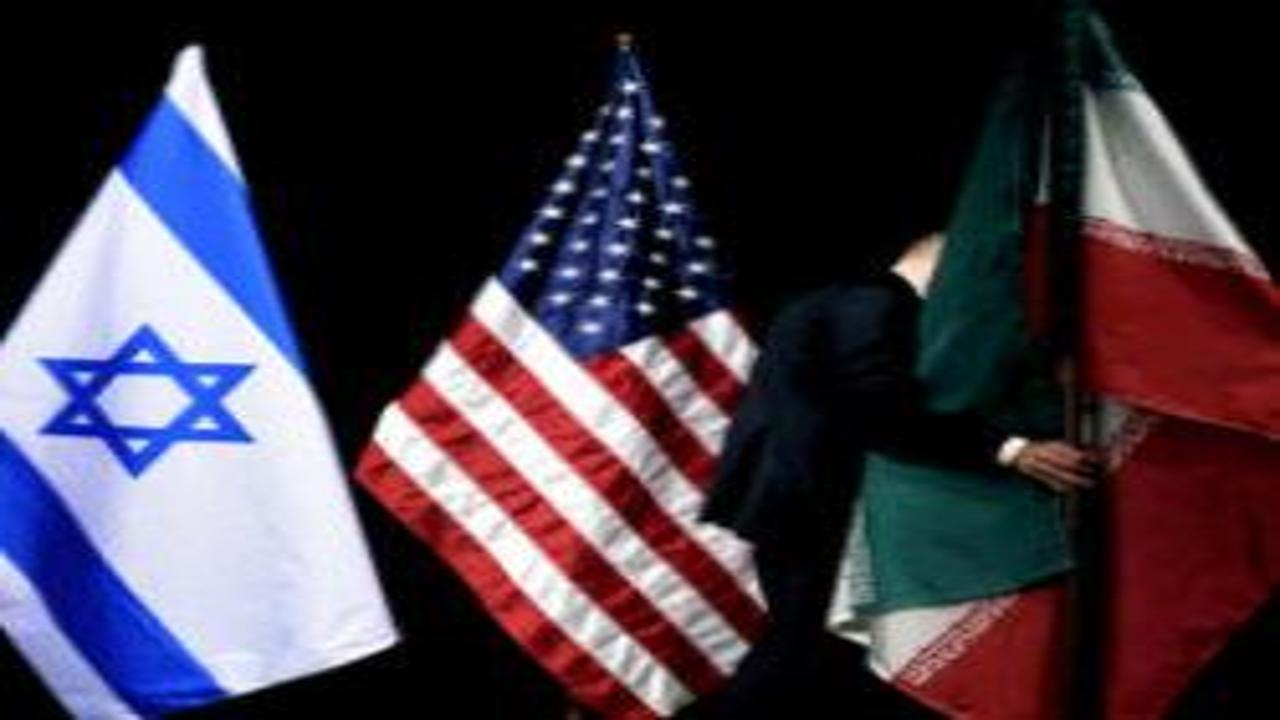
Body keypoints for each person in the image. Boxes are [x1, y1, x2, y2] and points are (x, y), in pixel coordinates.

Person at [696, 234, 1094, 719]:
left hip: (807, 505)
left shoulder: (849, 302)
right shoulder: (871, 303)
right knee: (802, 656)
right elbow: (879, 409)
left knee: (821, 662)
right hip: (818, 509)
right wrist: (1012, 450)